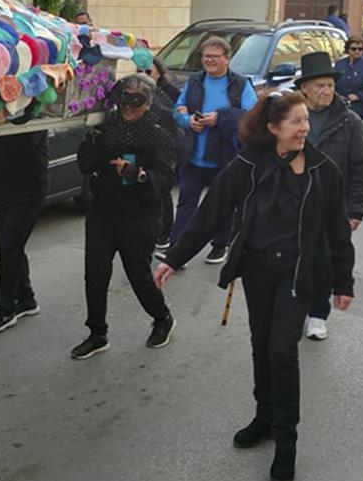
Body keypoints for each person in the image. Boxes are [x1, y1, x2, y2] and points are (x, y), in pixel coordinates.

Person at [154, 91, 355, 481]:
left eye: (306, 121)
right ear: (273, 127)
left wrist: (343, 281)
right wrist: (174, 258)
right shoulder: (246, 165)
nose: (304, 128)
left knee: (282, 350)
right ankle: (264, 418)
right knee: (261, 344)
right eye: (296, 122)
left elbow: (336, 230)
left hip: (298, 273)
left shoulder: (322, 170)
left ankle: (286, 442)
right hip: (259, 270)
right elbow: (210, 214)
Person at [73, 74, 177, 359]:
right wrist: (92, 141)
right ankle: (97, 333)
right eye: (125, 98)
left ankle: (162, 317)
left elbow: (167, 177)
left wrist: (139, 174)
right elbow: (85, 165)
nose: (130, 106)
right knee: (94, 274)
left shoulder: (158, 132)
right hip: (103, 211)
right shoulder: (106, 126)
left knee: (138, 275)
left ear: (149, 103)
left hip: (140, 214)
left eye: (137, 99)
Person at [294, 52, 363, 341]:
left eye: (329, 85)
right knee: (293, 258)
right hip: (293, 202)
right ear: (304, 88)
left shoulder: (349, 122)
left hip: (331, 206)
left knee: (323, 261)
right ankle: (295, 307)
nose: (326, 91)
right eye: (319, 86)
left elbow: (361, 169)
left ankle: (317, 313)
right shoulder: (291, 116)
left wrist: (355, 211)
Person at [165, 37, 258, 264]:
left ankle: (219, 245)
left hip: (225, 157)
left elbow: (251, 116)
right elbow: (177, 108)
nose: (209, 61)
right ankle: (177, 248)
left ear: (227, 58)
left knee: (223, 205)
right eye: (206, 56)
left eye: (215, 57)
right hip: (194, 156)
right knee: (186, 202)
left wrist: (221, 118)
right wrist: (188, 120)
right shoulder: (195, 81)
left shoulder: (240, 84)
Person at [0, 129, 49, 333]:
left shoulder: (31, 118)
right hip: (3, 188)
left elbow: (19, 146)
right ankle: (27, 299)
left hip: (29, 192)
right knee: (11, 246)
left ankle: (7, 310)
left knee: (9, 246)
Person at [148, 56, 183, 249]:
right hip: (145, 144)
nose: (144, 75)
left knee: (163, 188)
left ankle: (166, 232)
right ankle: (151, 228)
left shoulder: (171, 92)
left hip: (166, 145)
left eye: (148, 72)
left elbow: (179, 117)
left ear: (159, 72)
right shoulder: (140, 89)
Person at [334, 35, 363, 118]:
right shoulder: (339, 64)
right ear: (348, 49)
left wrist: (359, 96)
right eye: (354, 49)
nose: (357, 51)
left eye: (360, 49)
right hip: (340, 105)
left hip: (359, 107)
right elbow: (334, 83)